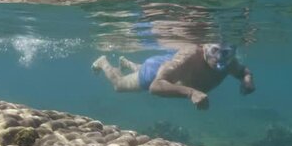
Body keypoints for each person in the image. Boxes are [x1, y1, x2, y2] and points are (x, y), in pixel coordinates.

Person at [91, 43, 255, 110]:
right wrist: (191, 93)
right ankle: (103, 61)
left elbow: (243, 71)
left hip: (169, 66)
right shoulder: (190, 55)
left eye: (225, 53)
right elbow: (155, 87)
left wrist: (247, 81)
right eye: (214, 51)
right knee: (119, 85)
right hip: (155, 70)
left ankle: (128, 64)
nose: (219, 57)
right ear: (205, 46)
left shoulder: (229, 61)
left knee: (166, 70)